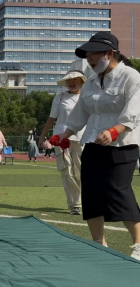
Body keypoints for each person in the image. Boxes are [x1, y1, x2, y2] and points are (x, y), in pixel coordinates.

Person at [58, 31, 140, 259]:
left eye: (93, 54)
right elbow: (79, 114)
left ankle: (138, 245)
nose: (90, 59)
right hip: (93, 143)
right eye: (87, 56)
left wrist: (115, 130)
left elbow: (134, 112)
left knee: (118, 190)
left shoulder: (131, 77)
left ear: (110, 53)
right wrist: (65, 134)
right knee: (91, 192)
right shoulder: (91, 81)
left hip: (123, 144)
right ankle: (98, 244)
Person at [39, 70, 87, 215]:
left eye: (75, 80)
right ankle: (75, 204)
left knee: (81, 172)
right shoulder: (59, 98)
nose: (71, 83)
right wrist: (42, 136)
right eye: (68, 80)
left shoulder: (87, 97)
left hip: (82, 138)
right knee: (66, 171)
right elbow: (51, 118)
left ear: (82, 81)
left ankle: (84, 200)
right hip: (61, 139)